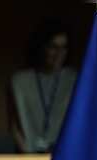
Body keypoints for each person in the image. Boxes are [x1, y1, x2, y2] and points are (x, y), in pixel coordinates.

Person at [9, 20, 77, 153]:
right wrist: (27, 154)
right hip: (28, 155)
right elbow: (14, 124)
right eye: (53, 47)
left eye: (63, 48)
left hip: (65, 154)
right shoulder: (20, 81)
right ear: (41, 48)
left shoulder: (74, 79)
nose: (59, 54)